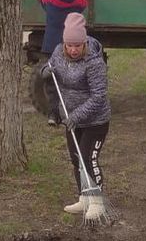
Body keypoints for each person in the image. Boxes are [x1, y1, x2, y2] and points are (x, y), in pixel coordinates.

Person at [42, 13, 110, 215]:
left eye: (77, 46)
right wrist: (46, 70)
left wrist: (76, 116)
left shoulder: (94, 62)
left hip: (95, 121)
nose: (73, 50)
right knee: (75, 158)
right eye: (69, 45)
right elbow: (50, 66)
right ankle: (84, 198)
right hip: (72, 120)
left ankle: (97, 202)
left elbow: (99, 97)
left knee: (88, 158)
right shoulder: (58, 51)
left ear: (84, 44)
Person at [29, 0, 88, 125]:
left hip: (52, 47)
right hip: (71, 47)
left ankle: (53, 116)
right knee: (73, 80)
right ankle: (73, 114)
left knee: (52, 82)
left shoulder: (51, 2)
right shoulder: (77, 3)